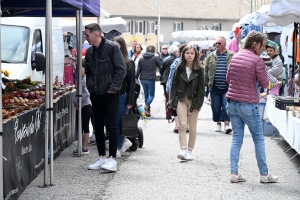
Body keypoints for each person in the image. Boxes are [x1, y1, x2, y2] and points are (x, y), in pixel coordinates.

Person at [226, 31, 278, 183]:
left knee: (236, 139)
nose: (263, 49)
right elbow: (264, 84)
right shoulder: (257, 61)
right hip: (248, 104)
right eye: (262, 45)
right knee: (259, 139)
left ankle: (234, 174)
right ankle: (264, 175)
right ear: (255, 44)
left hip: (232, 103)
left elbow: (228, 79)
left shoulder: (235, 56)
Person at [84, 23, 126, 172]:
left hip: (110, 94)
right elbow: (88, 72)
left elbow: (121, 69)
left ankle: (112, 159)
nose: (85, 37)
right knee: (98, 127)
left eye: (87, 34)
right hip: (96, 93)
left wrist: (113, 88)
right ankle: (102, 157)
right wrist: (90, 87)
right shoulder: (89, 52)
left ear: (96, 34)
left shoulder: (112, 48)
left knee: (111, 125)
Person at [170, 45, 205, 160]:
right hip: (181, 99)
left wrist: (198, 104)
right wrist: (173, 102)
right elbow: (173, 85)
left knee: (193, 127)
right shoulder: (179, 68)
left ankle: (190, 150)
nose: (189, 55)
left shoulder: (199, 70)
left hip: (194, 100)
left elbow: (201, 89)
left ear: (195, 55)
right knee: (182, 125)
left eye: (192, 53)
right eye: (187, 53)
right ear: (183, 54)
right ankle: (183, 149)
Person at [204, 37, 234, 134]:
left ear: (224, 44)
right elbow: (205, 70)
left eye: (219, 43)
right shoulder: (210, 56)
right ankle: (218, 123)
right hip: (214, 86)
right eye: (216, 43)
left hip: (228, 86)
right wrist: (205, 83)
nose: (217, 45)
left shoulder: (232, 55)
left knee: (226, 106)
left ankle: (226, 125)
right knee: (215, 106)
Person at [113, 36, 135, 157]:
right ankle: (124, 142)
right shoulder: (111, 60)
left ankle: (118, 146)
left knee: (120, 122)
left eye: (117, 45)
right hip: (112, 95)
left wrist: (130, 101)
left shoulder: (129, 62)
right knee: (111, 121)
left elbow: (132, 83)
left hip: (122, 95)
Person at [136, 45, 162, 117]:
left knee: (146, 94)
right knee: (152, 95)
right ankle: (146, 106)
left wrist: (135, 78)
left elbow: (138, 70)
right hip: (151, 79)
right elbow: (161, 66)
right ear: (154, 50)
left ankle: (147, 112)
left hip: (142, 79)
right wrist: (159, 57)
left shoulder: (141, 58)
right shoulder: (154, 58)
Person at [73, 59, 92, 155]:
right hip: (80, 106)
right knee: (79, 127)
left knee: (85, 127)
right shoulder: (80, 80)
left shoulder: (86, 80)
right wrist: (76, 103)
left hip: (85, 106)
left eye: (80, 68)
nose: (78, 70)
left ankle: (85, 147)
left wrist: (77, 101)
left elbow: (86, 94)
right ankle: (80, 146)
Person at [166, 44, 187, 133]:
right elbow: (171, 76)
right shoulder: (176, 62)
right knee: (175, 106)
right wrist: (169, 88)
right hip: (177, 87)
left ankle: (185, 125)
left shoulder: (193, 62)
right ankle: (178, 125)